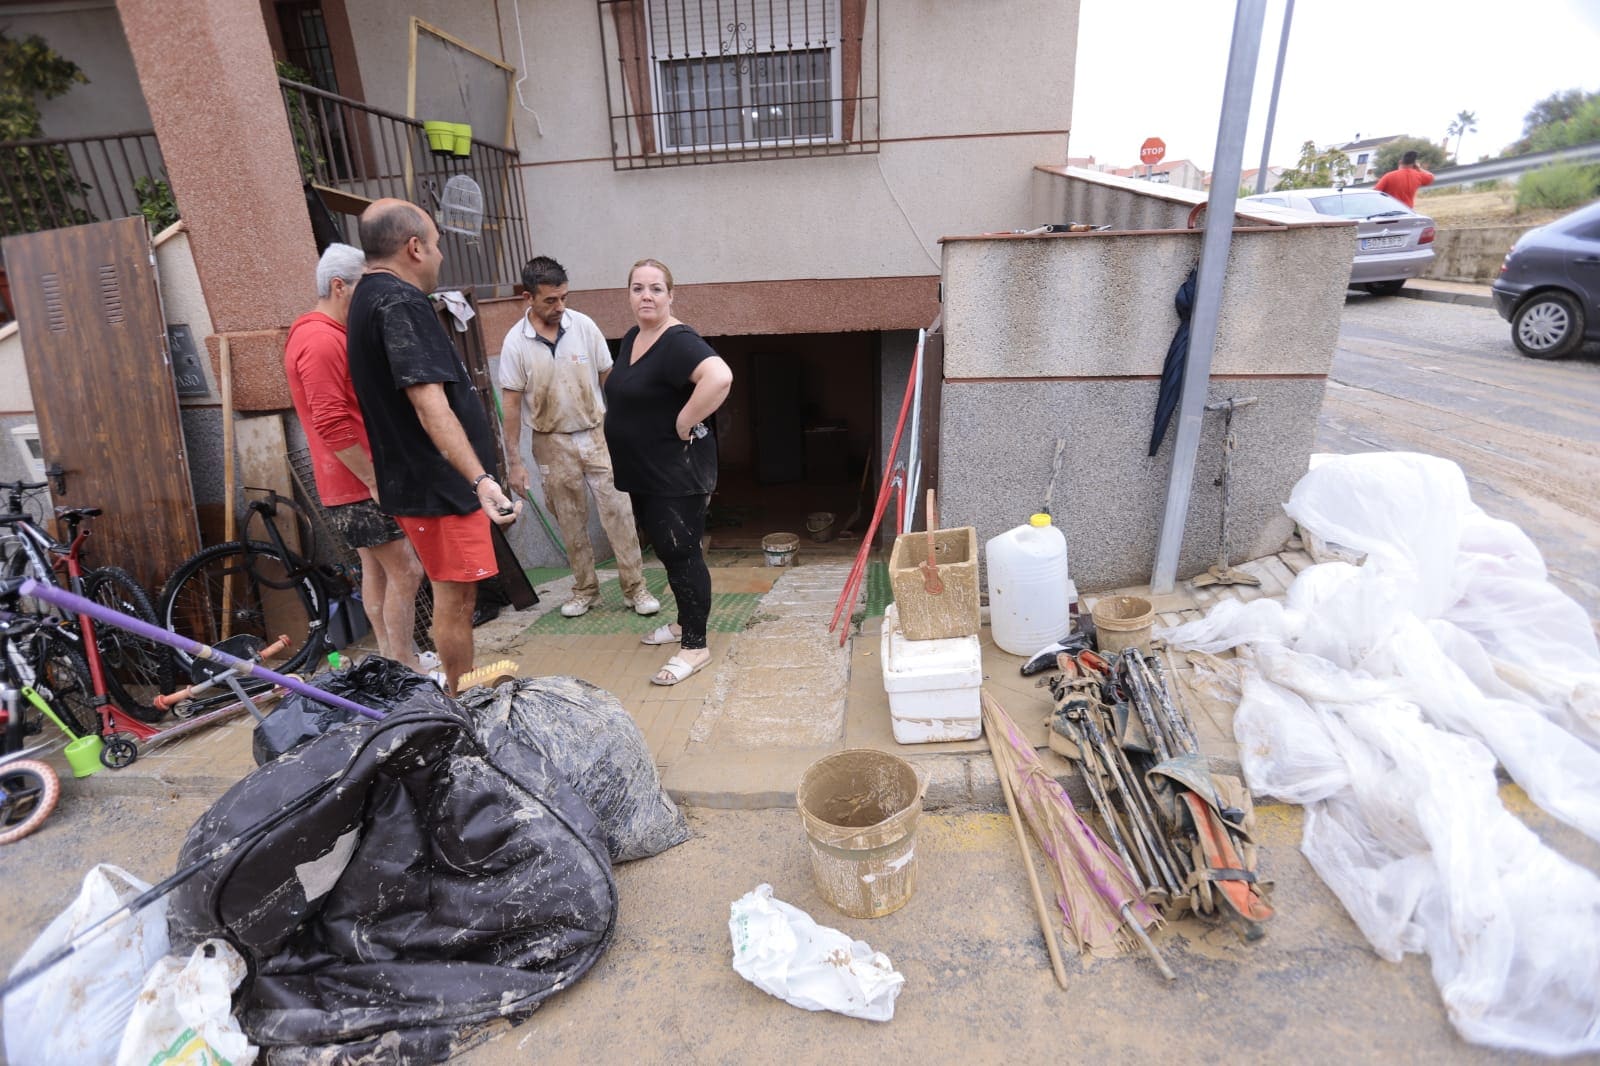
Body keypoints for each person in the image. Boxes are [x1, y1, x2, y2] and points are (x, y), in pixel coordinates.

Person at [345, 198, 522, 694]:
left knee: (453, 594)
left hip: (421, 481)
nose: (442, 256)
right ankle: (459, 699)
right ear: (414, 247)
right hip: (439, 486)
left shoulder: (365, 296)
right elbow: (429, 404)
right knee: (457, 599)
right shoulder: (399, 302)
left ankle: (455, 691)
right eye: (438, 245)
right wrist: (480, 478)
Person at [284, 243, 426, 670]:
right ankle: (406, 666)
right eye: (362, 287)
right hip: (354, 482)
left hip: (352, 480)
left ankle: (390, 661)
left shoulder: (325, 333)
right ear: (339, 286)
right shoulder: (319, 339)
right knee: (407, 571)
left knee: (379, 571)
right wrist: (372, 480)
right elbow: (330, 422)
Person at [499, 256, 659, 620]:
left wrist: (628, 428)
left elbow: (609, 378)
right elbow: (510, 406)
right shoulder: (515, 343)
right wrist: (515, 462)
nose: (559, 307)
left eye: (564, 298)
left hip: (598, 432)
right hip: (550, 441)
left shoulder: (583, 326)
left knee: (619, 512)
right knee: (570, 520)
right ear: (528, 297)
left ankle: (636, 588)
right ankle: (585, 590)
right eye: (550, 300)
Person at [603, 259, 733, 686]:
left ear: (671, 295)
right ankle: (682, 623)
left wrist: (684, 421)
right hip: (645, 472)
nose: (646, 296)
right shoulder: (634, 338)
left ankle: (694, 646)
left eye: (656, 289)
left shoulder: (678, 341)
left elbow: (719, 376)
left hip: (675, 473)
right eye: (638, 288)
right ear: (628, 294)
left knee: (682, 552)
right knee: (668, 550)